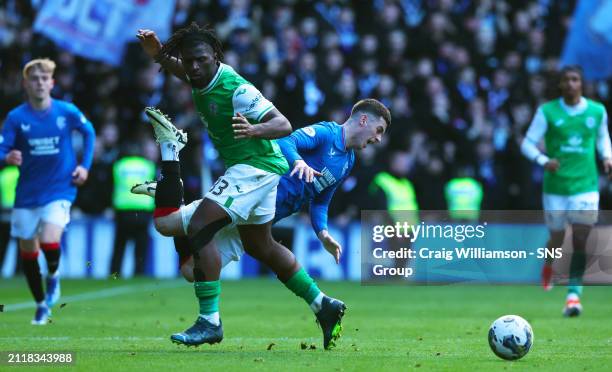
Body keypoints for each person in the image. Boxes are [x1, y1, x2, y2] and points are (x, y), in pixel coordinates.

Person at [136, 23, 355, 349]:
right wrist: (158, 53)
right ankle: (323, 305)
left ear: (215, 56)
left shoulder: (236, 87)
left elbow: (284, 124)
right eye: (188, 61)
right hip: (257, 171)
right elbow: (182, 70)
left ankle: (209, 321)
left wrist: (254, 130)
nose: (193, 67)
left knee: (198, 226)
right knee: (261, 246)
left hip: (255, 168)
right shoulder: (200, 77)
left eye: (200, 60)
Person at [133, 99, 389, 348]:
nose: (378, 139)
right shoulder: (326, 133)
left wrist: (322, 232)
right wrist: (298, 161)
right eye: (378, 130)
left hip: (261, 215)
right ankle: (171, 152)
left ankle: (170, 194)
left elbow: (321, 199)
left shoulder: (347, 161)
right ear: (363, 119)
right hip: (253, 191)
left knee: (192, 269)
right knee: (170, 225)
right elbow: (287, 140)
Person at [0, 58, 96, 324]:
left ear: (52, 83)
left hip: (59, 189)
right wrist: (7, 157)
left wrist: (84, 166)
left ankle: (53, 276)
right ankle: (41, 304)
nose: (40, 83)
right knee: (28, 251)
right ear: (25, 84)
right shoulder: (16, 117)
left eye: (44, 79)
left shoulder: (66, 111)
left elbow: (89, 132)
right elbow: (2, 148)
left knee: (49, 240)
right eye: (34, 79)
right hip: (27, 193)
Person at [521, 65, 612, 317]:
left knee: (580, 238)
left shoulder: (596, 111)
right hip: (556, 187)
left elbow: (603, 138)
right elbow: (527, 144)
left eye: (575, 79)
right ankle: (549, 263)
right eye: (566, 80)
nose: (571, 84)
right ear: (561, 85)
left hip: (585, 185)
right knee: (558, 239)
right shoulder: (547, 112)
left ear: (582, 84)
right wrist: (543, 161)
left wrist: (607, 157)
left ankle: (574, 294)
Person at [109, 144, 157, 277]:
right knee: (141, 246)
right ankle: (139, 273)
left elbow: (113, 186)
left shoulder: (119, 166)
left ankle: (114, 273)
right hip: (143, 209)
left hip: (123, 210)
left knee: (119, 245)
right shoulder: (148, 166)